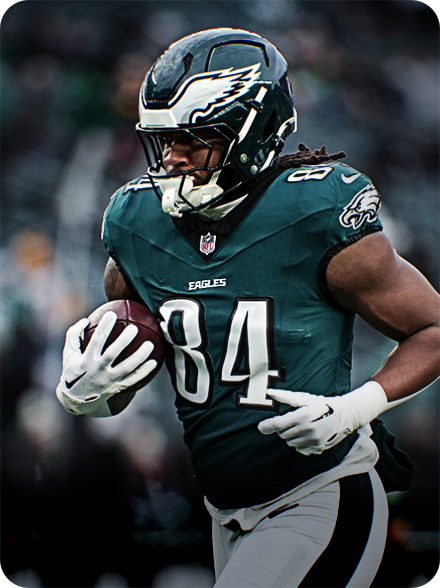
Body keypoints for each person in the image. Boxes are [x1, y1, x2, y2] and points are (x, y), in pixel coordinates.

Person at [55, 28, 440, 587]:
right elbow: (130, 364)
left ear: (250, 134)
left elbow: (432, 328)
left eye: (192, 141)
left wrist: (356, 408)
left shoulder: (313, 211)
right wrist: (86, 393)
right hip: (224, 514)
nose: (172, 158)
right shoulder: (136, 224)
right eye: (164, 142)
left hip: (321, 493)